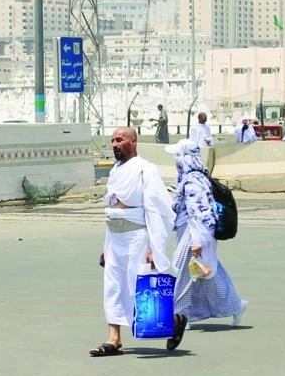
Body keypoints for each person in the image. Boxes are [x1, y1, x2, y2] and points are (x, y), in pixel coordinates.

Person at [90, 127, 174, 357]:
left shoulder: (146, 170)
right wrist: (106, 246)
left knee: (138, 287)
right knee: (113, 286)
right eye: (112, 141)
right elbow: (113, 210)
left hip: (137, 237)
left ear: (134, 142)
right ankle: (114, 339)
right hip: (114, 237)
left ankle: (174, 321)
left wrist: (153, 248)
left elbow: (156, 210)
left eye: (119, 140)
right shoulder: (116, 171)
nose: (115, 144)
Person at [165, 139, 248, 343]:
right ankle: (235, 305)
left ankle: (178, 315)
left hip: (193, 233)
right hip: (195, 232)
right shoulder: (197, 178)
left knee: (181, 271)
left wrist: (198, 240)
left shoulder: (193, 181)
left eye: (178, 157)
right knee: (205, 273)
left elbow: (199, 212)